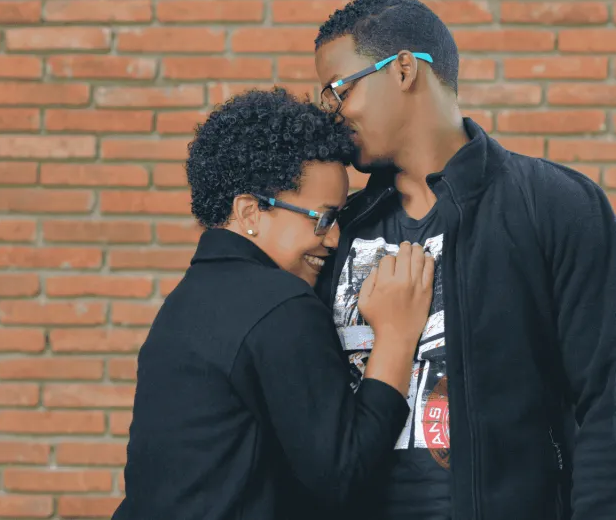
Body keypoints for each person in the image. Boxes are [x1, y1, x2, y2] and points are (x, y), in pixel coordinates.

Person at [312, 0, 616, 519]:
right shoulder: (337, 229)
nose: (331, 114)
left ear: (403, 69)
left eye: (340, 90)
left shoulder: (555, 206)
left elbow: (611, 400)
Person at [113, 87, 436, 520]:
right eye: (323, 217)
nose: (337, 237)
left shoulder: (185, 303)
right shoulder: (280, 305)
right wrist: (396, 336)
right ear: (249, 213)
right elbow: (345, 474)